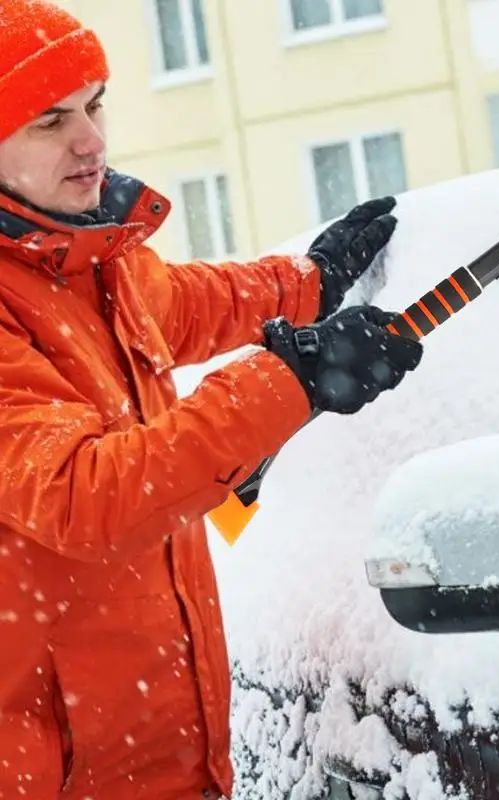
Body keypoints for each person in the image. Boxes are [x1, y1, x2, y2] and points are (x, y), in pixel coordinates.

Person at [0, 2, 423, 798]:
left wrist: (310, 283)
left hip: (170, 760)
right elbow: (87, 494)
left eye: (94, 106)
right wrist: (292, 380)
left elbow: (191, 303)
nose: (91, 140)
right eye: (49, 121)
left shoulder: (90, 261)